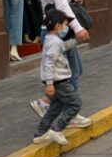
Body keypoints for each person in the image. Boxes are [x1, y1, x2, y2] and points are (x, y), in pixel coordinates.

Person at [30, 0, 91, 119]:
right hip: (58, 34)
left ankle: (46, 102)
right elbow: (62, 5)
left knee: (75, 70)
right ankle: (69, 114)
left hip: (56, 33)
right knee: (71, 74)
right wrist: (78, 28)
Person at [32, 8, 92, 146]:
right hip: (59, 80)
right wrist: (49, 84)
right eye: (65, 25)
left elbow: (63, 47)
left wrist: (75, 40)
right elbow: (48, 63)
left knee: (55, 108)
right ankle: (57, 129)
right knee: (75, 103)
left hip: (58, 80)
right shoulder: (53, 42)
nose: (66, 28)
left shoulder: (52, 39)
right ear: (58, 26)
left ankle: (40, 134)